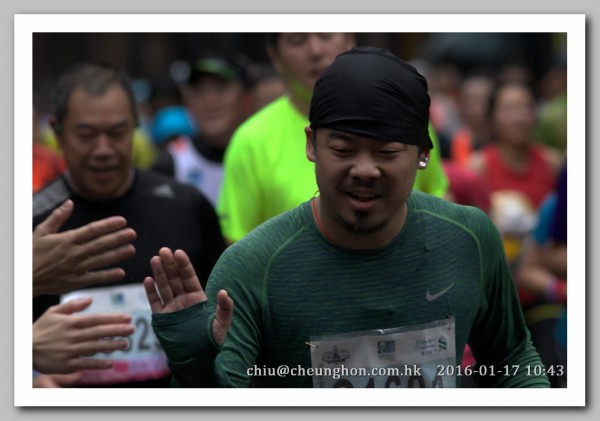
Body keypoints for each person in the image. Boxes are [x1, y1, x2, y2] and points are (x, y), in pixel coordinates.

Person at [145, 47, 550, 388]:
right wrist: (194, 364)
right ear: (311, 145)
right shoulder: (252, 267)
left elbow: (512, 355)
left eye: (387, 152)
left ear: (424, 153)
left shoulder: (468, 238)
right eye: (343, 149)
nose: (365, 170)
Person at [33, 62, 227, 388]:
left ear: (137, 127)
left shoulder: (186, 206)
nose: (103, 149)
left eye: (117, 132)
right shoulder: (31, 223)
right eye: (86, 135)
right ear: (57, 131)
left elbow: (224, 316)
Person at [217, 33, 449, 244]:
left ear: (350, 40)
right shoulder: (251, 140)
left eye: (326, 35)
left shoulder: (405, 122)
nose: (315, 51)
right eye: (297, 40)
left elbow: (440, 206)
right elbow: (239, 246)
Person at [151, 54, 251, 206]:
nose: (210, 100)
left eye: (221, 89)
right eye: (199, 91)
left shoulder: (263, 156)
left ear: (245, 98)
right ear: (187, 102)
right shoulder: (170, 164)